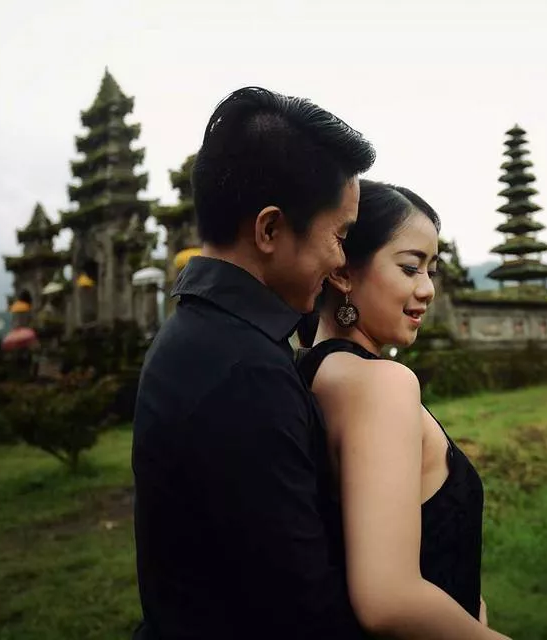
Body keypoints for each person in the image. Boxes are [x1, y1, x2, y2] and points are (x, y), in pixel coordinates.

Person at [131, 86, 375, 639]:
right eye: (339, 236)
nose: (342, 260)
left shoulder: (204, 335)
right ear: (269, 229)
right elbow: (300, 612)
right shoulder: (242, 370)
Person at [296, 180, 511, 639]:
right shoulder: (382, 384)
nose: (428, 289)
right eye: (411, 268)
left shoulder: (313, 373)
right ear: (343, 272)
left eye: (431, 270)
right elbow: (389, 598)